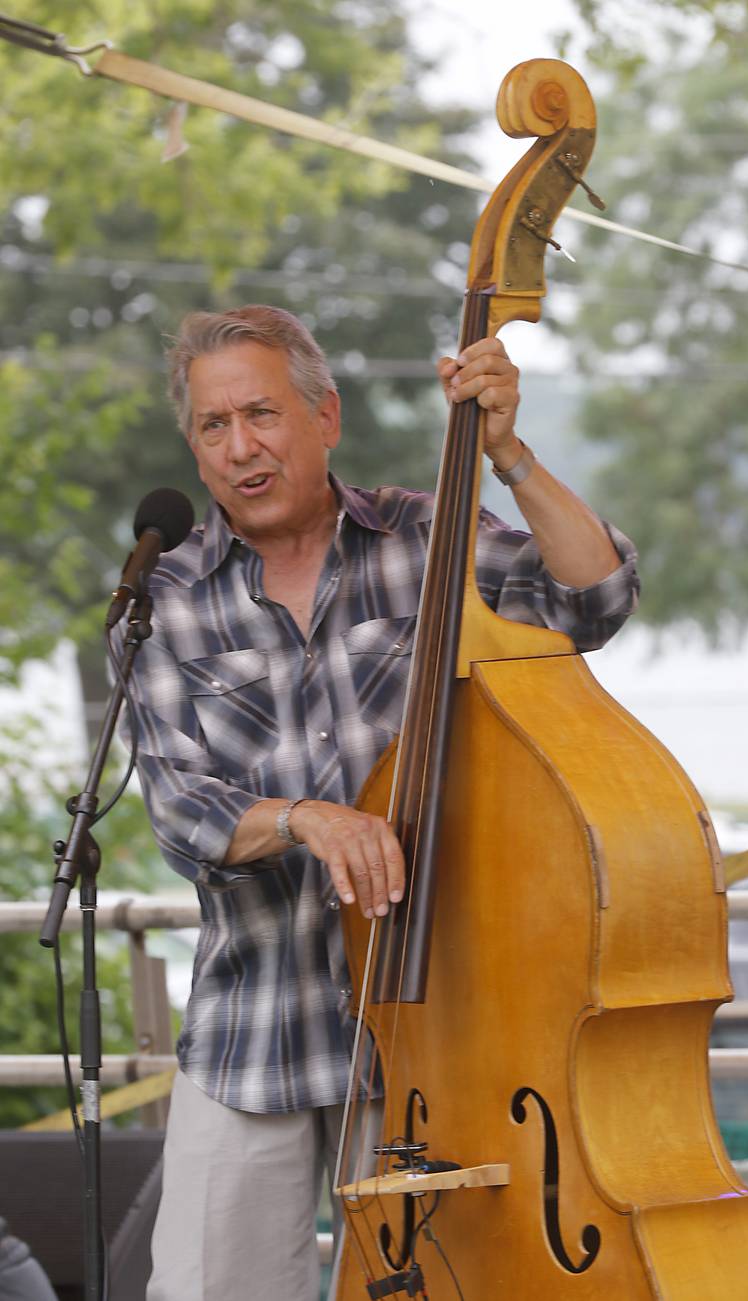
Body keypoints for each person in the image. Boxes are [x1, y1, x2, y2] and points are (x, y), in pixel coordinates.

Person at [122, 304, 638, 1301]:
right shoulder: (167, 596)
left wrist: (509, 453)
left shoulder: (426, 535)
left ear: (326, 417)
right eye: (213, 426)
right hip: (253, 1024)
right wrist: (309, 817)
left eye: (262, 414)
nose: (240, 447)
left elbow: (596, 597)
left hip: (434, 1029)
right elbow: (184, 813)